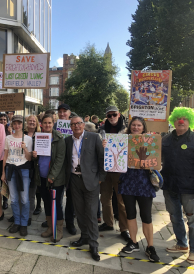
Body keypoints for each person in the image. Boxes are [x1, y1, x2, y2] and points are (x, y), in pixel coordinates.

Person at [105, 116, 159, 261]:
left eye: (139, 126)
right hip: (128, 182)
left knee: (146, 216)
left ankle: (150, 246)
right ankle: (133, 242)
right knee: (130, 214)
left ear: (143, 127)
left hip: (144, 184)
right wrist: (107, 146)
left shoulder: (151, 140)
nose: (135, 127)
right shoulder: (123, 140)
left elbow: (156, 161)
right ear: (130, 127)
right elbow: (112, 154)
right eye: (133, 125)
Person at [66, 116, 106, 261]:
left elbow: (102, 157)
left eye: (79, 123)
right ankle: (84, 237)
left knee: (90, 213)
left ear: (83, 125)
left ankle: (93, 244)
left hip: (91, 181)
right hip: (75, 180)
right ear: (70, 127)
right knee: (79, 211)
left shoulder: (94, 137)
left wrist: (101, 178)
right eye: (73, 124)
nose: (76, 126)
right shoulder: (68, 140)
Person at [162, 107, 194, 264]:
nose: (181, 121)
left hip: (189, 186)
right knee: (175, 216)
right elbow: (153, 156)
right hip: (169, 185)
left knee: (192, 220)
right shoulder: (165, 139)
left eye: (184, 119)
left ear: (190, 121)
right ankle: (182, 244)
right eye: (178, 119)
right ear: (173, 121)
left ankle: (193, 250)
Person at [98, 106, 130, 242]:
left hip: (120, 170)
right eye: (109, 115)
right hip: (106, 168)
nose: (112, 117)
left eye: (114, 114)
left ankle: (124, 228)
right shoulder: (101, 130)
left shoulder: (127, 130)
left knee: (121, 201)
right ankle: (108, 223)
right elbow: (97, 148)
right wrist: (101, 145)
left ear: (119, 115)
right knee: (105, 198)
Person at [33, 114, 66, 242]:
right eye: (45, 123)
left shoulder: (59, 138)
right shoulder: (39, 137)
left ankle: (59, 230)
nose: (47, 125)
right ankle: (50, 228)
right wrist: (34, 154)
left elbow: (59, 160)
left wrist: (52, 176)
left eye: (49, 123)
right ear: (41, 124)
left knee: (56, 204)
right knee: (46, 203)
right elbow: (37, 157)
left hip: (55, 179)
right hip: (41, 176)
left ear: (53, 123)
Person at [2, 115, 32, 236]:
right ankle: (17, 221)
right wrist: (3, 172)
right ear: (12, 125)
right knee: (13, 199)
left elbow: (30, 158)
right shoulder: (8, 138)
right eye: (15, 123)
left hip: (23, 170)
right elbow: (5, 156)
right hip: (10, 169)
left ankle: (24, 223)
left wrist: (25, 149)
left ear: (22, 124)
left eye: (19, 123)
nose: (17, 125)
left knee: (24, 199)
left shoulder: (28, 139)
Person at [51, 103, 77, 235]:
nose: (62, 114)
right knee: (58, 195)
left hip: (72, 165)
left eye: (64, 111)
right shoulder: (55, 126)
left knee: (71, 196)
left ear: (69, 112)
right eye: (59, 112)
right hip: (59, 166)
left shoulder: (75, 125)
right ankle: (56, 219)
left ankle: (70, 222)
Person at [25, 115, 42, 217]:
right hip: (23, 165)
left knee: (34, 190)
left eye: (34, 121)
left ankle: (33, 210)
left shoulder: (40, 135)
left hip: (35, 166)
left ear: (37, 123)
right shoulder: (22, 134)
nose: (32, 122)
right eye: (30, 121)